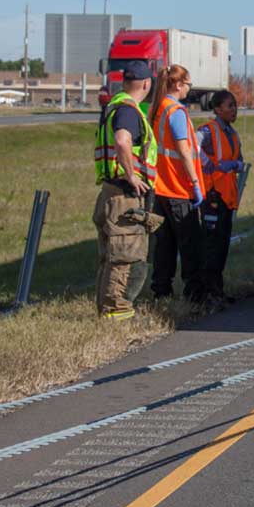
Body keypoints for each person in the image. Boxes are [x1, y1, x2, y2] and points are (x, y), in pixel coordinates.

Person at [92, 61, 162, 321]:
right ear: (146, 84)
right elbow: (123, 140)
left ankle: (109, 311)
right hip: (123, 196)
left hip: (112, 192)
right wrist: (132, 175)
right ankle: (117, 312)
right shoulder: (128, 110)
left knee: (111, 256)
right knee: (126, 255)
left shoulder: (114, 106)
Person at [149, 64, 208, 305]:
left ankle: (161, 292)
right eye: (188, 85)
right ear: (178, 84)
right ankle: (194, 295)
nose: (188, 89)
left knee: (165, 245)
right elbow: (184, 150)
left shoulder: (158, 108)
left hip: (161, 186)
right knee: (190, 244)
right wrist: (194, 182)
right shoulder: (176, 112)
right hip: (178, 187)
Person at [197, 90, 244, 300]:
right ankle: (207, 291)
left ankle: (218, 290)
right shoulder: (208, 130)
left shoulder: (232, 134)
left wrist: (236, 164)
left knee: (222, 245)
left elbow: (239, 160)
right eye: (229, 106)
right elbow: (191, 147)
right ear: (217, 109)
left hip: (228, 197)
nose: (234, 110)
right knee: (210, 246)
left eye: (235, 105)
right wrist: (210, 165)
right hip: (212, 196)